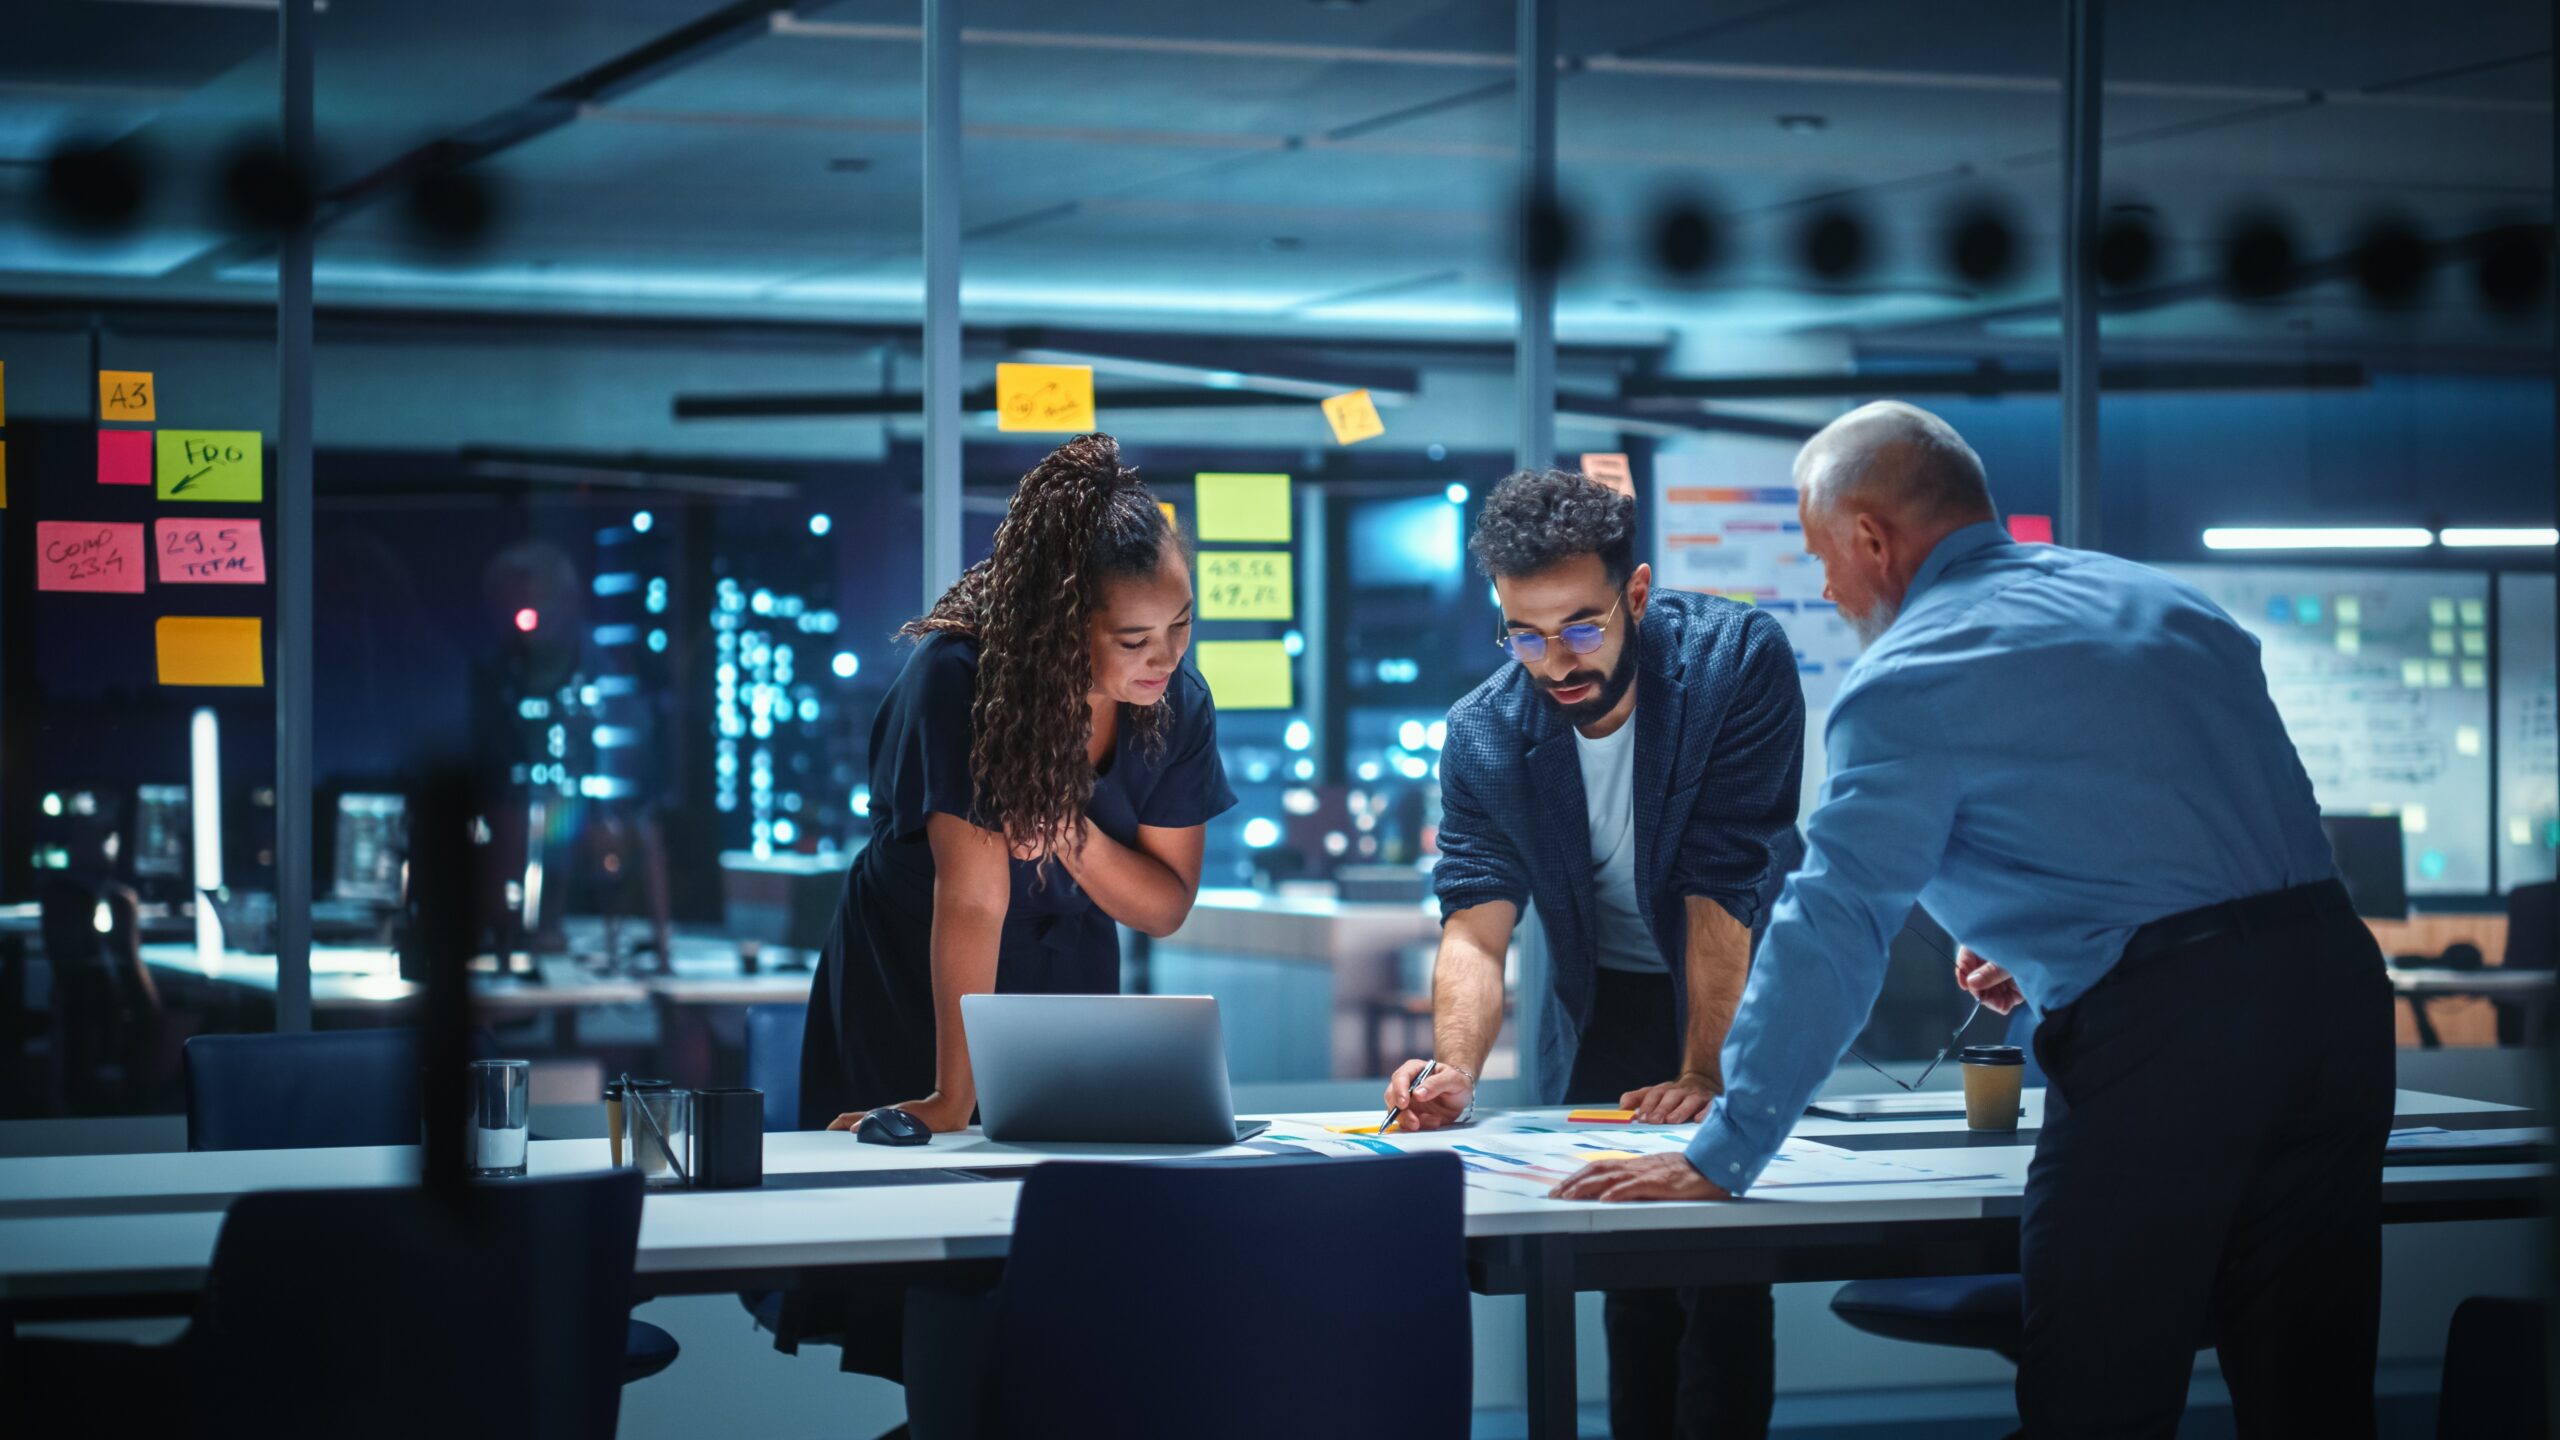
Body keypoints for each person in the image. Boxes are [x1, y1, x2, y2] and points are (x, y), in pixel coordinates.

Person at [1551, 402, 2390, 1439]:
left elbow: (1833, 927)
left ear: (1871, 539)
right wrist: (2045, 947)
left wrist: (1727, 1150)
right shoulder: (2165, 606)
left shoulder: (1907, 678)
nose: (1823, 585)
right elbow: (2214, 839)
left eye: (1821, 555)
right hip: (2337, 1003)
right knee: (2314, 1394)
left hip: (2168, 1047)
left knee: (2096, 1399)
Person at [790, 433, 1235, 1385]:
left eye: (1181, 627)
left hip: (1067, 968)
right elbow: (975, 899)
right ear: (1061, 623)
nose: (1164, 658)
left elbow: (1162, 906)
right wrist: (953, 1098)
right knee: (938, 1280)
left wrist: (1067, 830)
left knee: (1058, 1270)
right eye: (1133, 640)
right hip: (921, 977)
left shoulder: (1176, 702)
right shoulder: (959, 678)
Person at [1385, 468, 1805, 1440]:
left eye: (1580, 625)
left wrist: (1706, 1070)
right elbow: (1476, 930)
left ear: (1639, 594)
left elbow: (1722, 885)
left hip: (1733, 988)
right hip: (1607, 1001)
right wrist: (1453, 1068)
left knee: (1723, 1276)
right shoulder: (1485, 734)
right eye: (1523, 633)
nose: (1553, 660)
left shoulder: (1735, 661)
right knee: (1629, 1272)